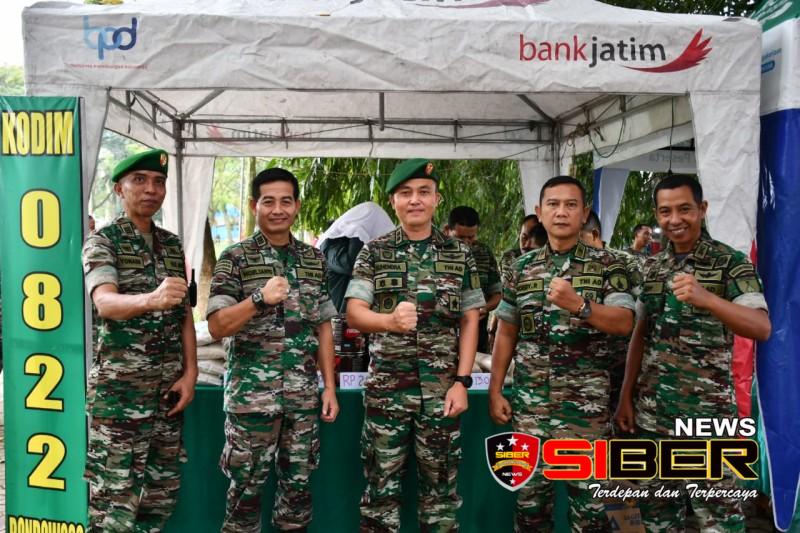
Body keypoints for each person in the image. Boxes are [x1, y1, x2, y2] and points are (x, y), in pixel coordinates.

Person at [615, 174, 771, 532]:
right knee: (656, 518)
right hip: (653, 417)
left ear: (702, 209)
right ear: (657, 215)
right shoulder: (653, 267)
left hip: (707, 419)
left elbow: (761, 327)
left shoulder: (730, 262)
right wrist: (625, 396)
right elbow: (640, 334)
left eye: (684, 209)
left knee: (719, 520)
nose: (675, 219)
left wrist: (708, 299)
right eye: (665, 211)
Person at [489, 176, 635, 532]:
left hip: (586, 416)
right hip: (530, 411)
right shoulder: (520, 268)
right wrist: (495, 390)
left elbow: (624, 322)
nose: (561, 212)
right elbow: (507, 331)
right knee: (529, 510)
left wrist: (580, 305)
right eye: (553, 204)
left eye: (571, 205)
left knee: (592, 513)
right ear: (539, 213)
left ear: (584, 213)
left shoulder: (609, 264)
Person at [345, 158, 484, 532]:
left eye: (424, 192)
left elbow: (471, 318)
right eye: (406, 193)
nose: (415, 200)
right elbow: (354, 313)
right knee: (380, 495)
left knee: (441, 498)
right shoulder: (374, 252)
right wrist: (388, 322)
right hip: (387, 394)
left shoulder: (459, 253)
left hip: (442, 395)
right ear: (393, 201)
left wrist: (463, 381)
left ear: (437, 199)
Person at [207, 167, 339, 532]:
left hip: (302, 399)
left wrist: (329, 386)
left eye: (285, 201)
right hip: (251, 401)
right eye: (268, 201)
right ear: (254, 206)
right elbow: (217, 325)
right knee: (245, 496)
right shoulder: (235, 258)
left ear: (297, 206)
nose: (277, 209)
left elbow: (323, 325)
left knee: (297, 494)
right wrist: (258, 299)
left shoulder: (314, 259)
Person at [81, 148, 198, 531]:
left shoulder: (172, 245)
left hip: (166, 397)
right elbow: (104, 302)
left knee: (159, 499)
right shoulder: (103, 242)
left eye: (159, 182)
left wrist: (191, 373)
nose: (151, 189)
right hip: (120, 398)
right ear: (119, 189)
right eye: (140, 180)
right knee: (113, 505)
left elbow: (184, 313)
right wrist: (151, 299)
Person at [580, 211, 643, 412]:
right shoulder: (575, 264)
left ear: (594, 234)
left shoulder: (624, 261)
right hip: (588, 365)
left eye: (579, 239)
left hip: (622, 356)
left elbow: (643, 308)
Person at [447, 205, 501, 353]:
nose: (466, 243)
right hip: (443, 338)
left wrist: (485, 308)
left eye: (471, 237)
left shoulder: (484, 252)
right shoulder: (434, 253)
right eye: (460, 238)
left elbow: (497, 294)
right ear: (447, 230)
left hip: (477, 335)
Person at [499, 214, 539, 280]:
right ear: (519, 235)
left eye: (533, 239)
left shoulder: (549, 256)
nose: (527, 245)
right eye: (524, 237)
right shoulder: (509, 257)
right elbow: (507, 280)